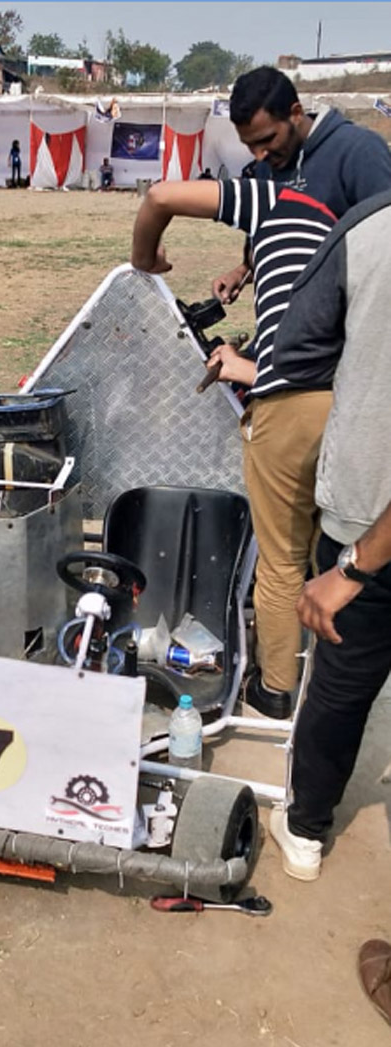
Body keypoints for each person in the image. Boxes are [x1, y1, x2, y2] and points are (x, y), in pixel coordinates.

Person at [132, 175, 336, 718]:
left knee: (281, 558)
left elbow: (161, 196)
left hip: (293, 406)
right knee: (329, 551)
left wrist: (145, 261)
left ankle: (275, 690)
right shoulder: (347, 217)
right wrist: (244, 272)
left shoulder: (276, 196)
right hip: (352, 406)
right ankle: (327, 678)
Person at [266, 187, 391, 880]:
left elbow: (299, 348)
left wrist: (354, 568)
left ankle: (306, 829)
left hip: (366, 518)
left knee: (341, 682)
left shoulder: (368, 227)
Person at [212, 66, 391, 305]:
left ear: (296, 113)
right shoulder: (266, 165)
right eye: (250, 145)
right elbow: (276, 244)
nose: (259, 155)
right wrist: (243, 271)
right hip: (286, 322)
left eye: (267, 139)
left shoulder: (359, 151)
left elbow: (384, 249)